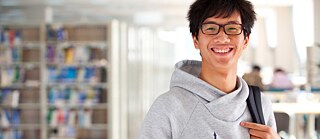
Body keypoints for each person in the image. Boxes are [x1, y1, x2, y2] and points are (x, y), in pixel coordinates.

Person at [139, 0, 281, 138]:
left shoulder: (261, 105)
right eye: (211, 28)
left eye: (232, 28)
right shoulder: (168, 107)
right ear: (196, 40)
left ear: (245, 40)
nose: (222, 37)